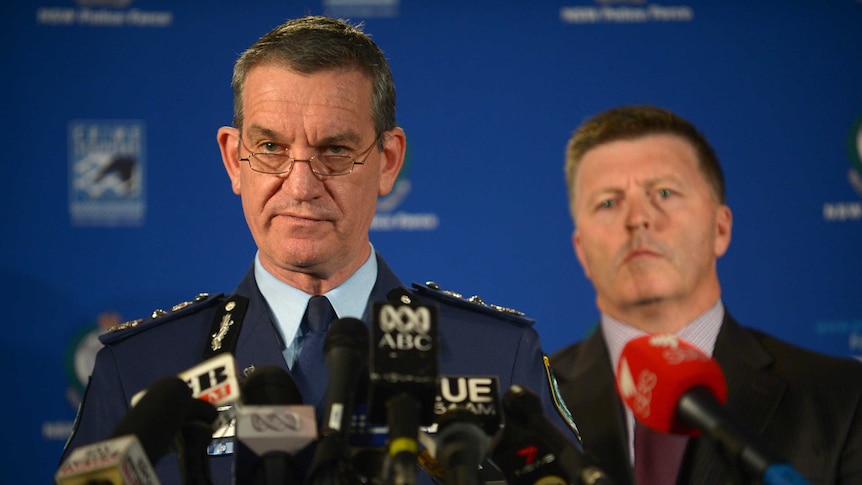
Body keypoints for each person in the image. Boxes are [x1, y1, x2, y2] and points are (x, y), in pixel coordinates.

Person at [60, 15, 578, 484]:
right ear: (233, 160)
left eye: (334, 150)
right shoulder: (140, 369)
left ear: (389, 160)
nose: (301, 185)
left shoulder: (496, 358)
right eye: (270, 148)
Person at [550, 105, 862, 485]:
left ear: (720, 229)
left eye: (664, 192)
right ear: (581, 251)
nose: (638, 218)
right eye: (609, 203)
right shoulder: (529, 404)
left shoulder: (841, 397)